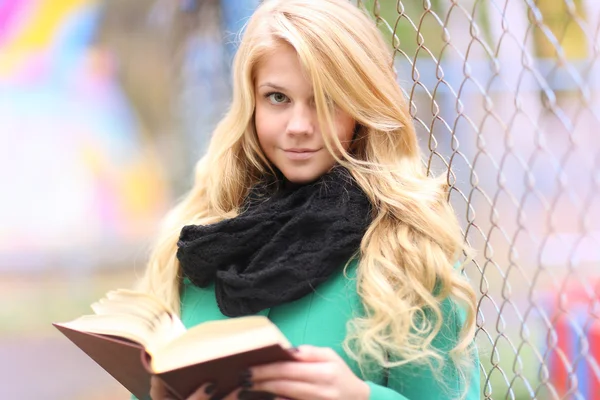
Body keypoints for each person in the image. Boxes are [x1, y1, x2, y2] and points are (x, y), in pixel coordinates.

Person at [139, 0, 480, 399]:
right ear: (250, 104)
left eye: (326, 100)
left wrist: (358, 396)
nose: (299, 127)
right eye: (277, 98)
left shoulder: (408, 250)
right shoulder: (203, 234)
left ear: (362, 106)